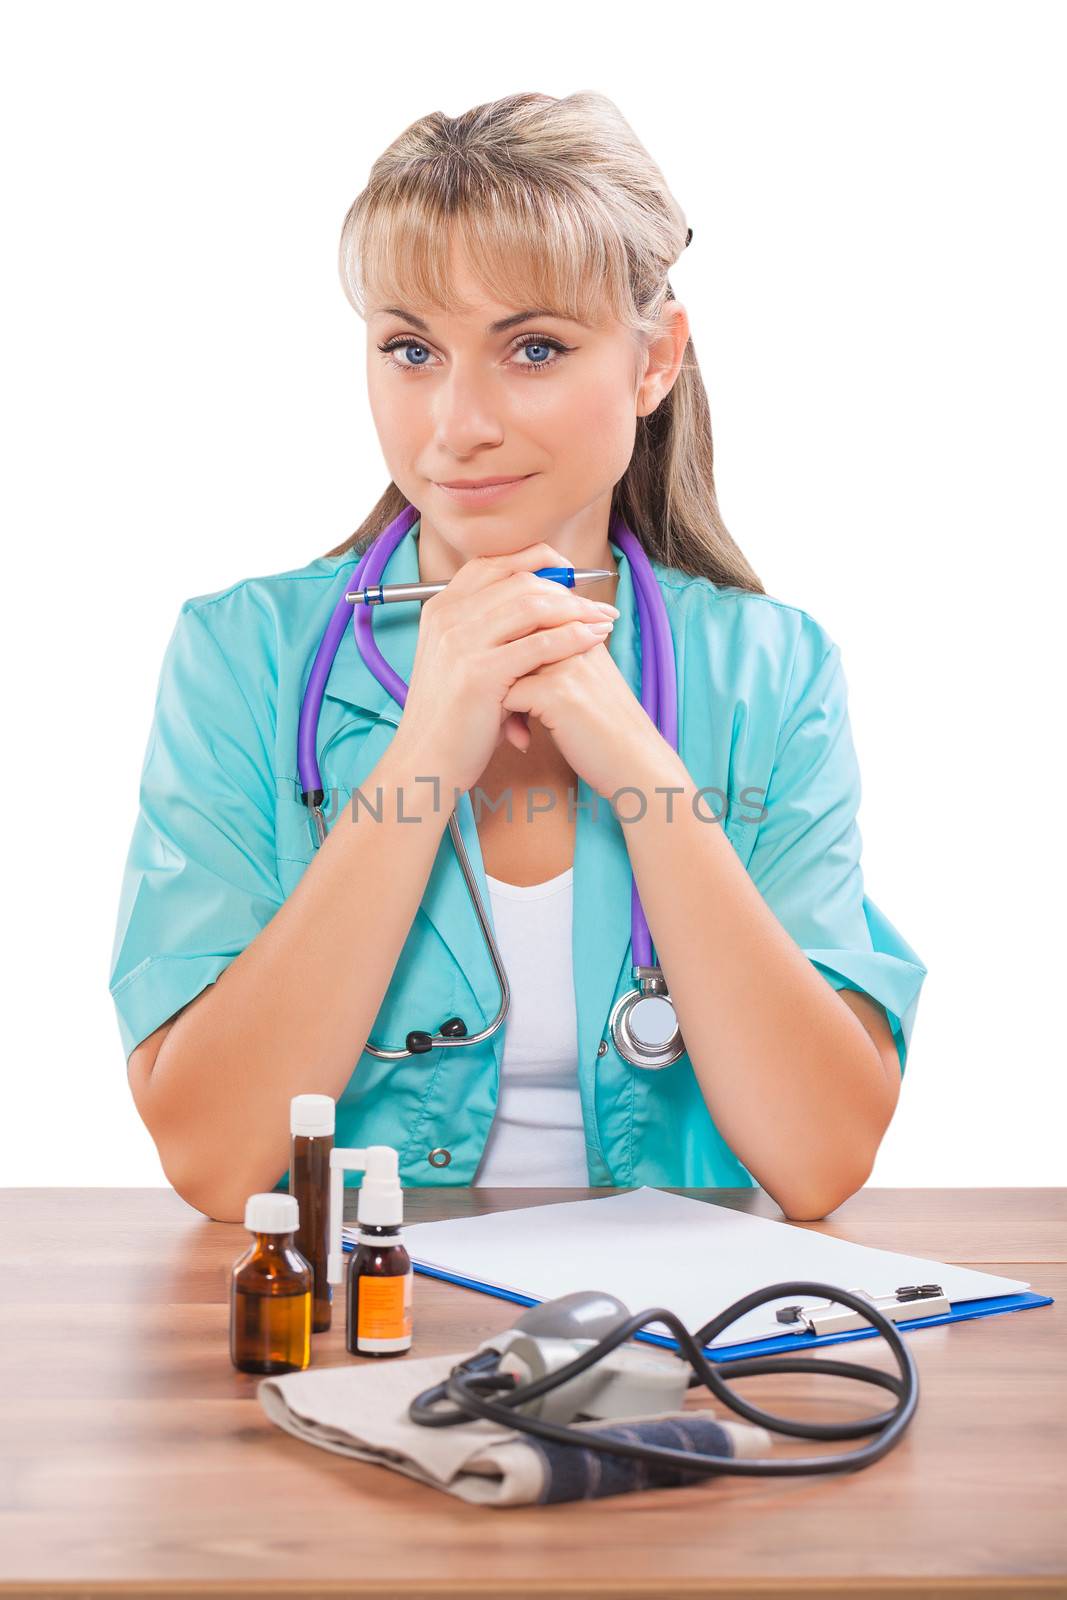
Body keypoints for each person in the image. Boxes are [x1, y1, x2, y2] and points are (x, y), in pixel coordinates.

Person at [109, 90, 927, 1225]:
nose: (455, 422)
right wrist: (424, 753)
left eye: (531, 347)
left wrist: (637, 766)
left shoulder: (769, 671)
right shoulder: (240, 658)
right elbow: (211, 1158)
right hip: (364, 1338)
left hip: (661, 1349)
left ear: (653, 363)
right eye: (410, 349)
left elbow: (819, 1155)